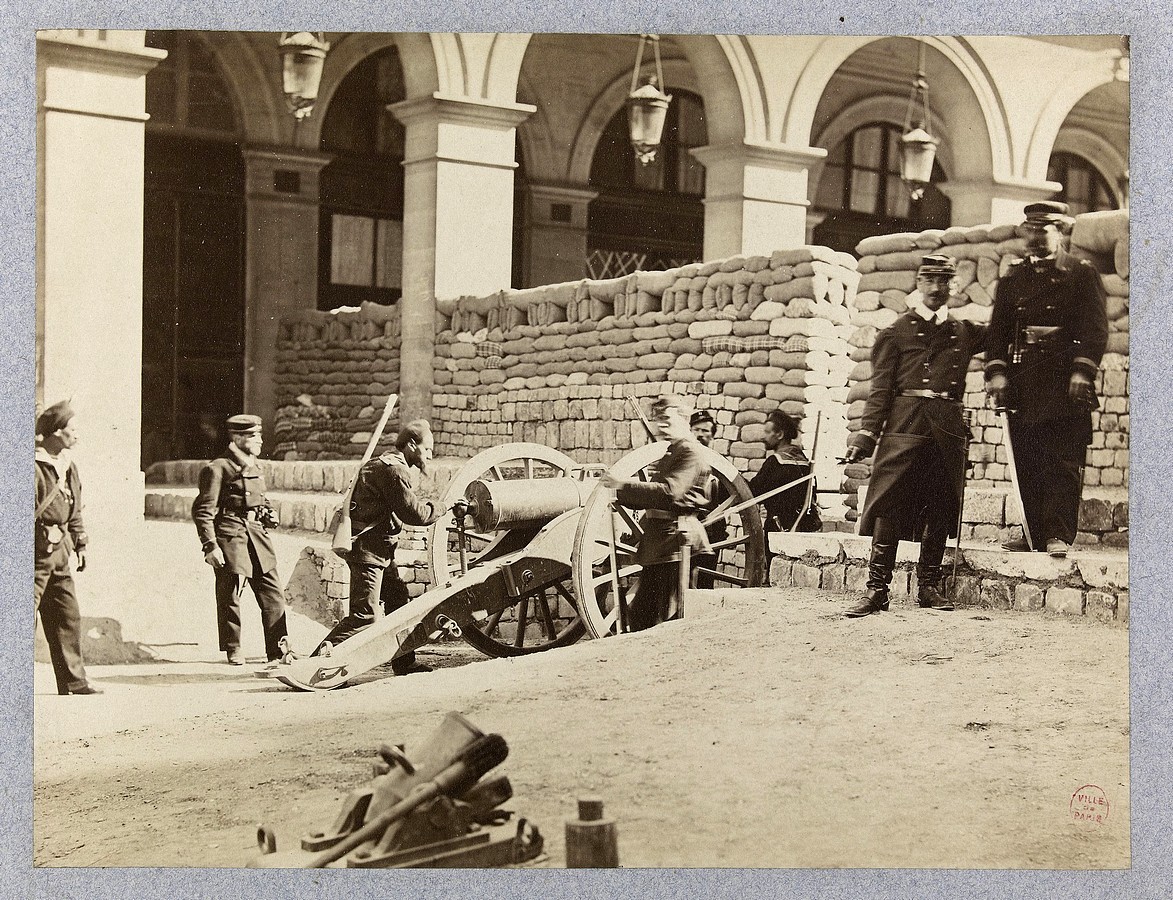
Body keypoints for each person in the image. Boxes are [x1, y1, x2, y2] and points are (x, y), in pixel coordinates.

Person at [841, 255, 986, 618]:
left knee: (939, 505)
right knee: (890, 504)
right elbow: (880, 392)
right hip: (904, 427)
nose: (936, 289)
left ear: (955, 286)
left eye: (944, 281)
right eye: (929, 281)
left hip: (948, 429)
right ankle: (876, 590)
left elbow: (1003, 333)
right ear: (918, 284)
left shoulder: (964, 331)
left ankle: (929, 586)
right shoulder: (895, 332)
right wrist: (865, 436)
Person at [984, 201, 1109, 558]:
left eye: (1044, 230)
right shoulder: (1013, 278)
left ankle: (1058, 534)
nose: (1036, 238)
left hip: (1063, 381)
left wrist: (1082, 371)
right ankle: (1032, 532)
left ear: (1061, 232)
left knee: (1062, 460)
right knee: (1027, 457)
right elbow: (998, 333)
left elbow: (1095, 329)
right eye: (1031, 231)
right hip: (1024, 380)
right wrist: (996, 373)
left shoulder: (1080, 273)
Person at [312, 420, 442, 674]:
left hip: (378, 550)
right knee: (364, 617)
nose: (430, 455)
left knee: (398, 601)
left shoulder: (382, 463)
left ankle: (404, 662)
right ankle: (315, 664)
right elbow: (414, 514)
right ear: (412, 445)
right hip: (368, 552)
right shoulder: (394, 471)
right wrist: (443, 506)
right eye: (427, 449)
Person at [601, 396, 711, 631]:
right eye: (659, 420)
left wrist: (623, 486)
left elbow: (670, 493)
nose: (661, 426)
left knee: (657, 620)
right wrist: (618, 492)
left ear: (683, 419)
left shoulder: (690, 452)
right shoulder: (673, 452)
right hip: (660, 544)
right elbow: (650, 498)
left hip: (675, 544)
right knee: (644, 618)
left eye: (667, 419)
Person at [191, 414, 289, 664]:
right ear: (237, 437)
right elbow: (203, 510)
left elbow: (260, 497)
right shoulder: (217, 468)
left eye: (259, 434)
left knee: (273, 592)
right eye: (254, 436)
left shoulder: (254, 464)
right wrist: (210, 545)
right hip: (230, 533)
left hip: (256, 532)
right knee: (230, 593)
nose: (260, 440)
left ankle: (278, 650)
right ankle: (233, 647)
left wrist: (268, 511)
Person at [34, 401, 101, 695]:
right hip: (34, 552)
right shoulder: (33, 466)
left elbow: (74, 509)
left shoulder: (67, 466)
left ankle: (73, 681)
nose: (78, 435)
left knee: (67, 615)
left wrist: (81, 543)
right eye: (73, 429)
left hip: (60, 550)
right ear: (58, 433)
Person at [749, 409, 821, 583]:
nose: (763, 437)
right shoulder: (804, 461)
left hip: (778, 526)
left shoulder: (776, 461)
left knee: (774, 574)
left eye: (767, 432)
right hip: (804, 525)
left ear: (779, 434)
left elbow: (753, 491)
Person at [689, 410, 727, 590]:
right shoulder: (682, 460)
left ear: (712, 436)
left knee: (705, 582)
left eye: (705, 431)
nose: (700, 435)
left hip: (712, 534)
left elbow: (732, 494)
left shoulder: (720, 466)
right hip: (684, 531)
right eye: (696, 429)